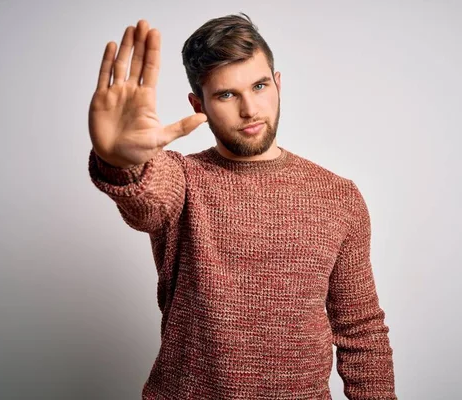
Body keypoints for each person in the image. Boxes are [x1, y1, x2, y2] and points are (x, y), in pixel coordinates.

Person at [87, 13, 397, 400]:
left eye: (260, 85)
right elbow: (148, 201)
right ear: (197, 103)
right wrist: (122, 163)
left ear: (278, 83)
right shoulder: (182, 179)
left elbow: (360, 329)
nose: (250, 109)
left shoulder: (338, 196)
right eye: (226, 94)